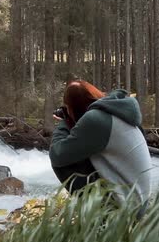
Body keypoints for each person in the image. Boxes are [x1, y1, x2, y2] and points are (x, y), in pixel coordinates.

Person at [49, 80, 152, 210]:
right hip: (139, 202)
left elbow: (57, 154)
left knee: (63, 162)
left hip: (125, 210)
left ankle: (98, 216)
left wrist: (64, 122)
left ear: (72, 107)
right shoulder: (117, 110)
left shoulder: (96, 119)